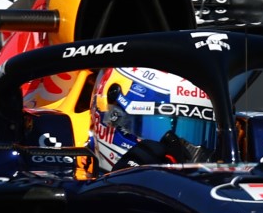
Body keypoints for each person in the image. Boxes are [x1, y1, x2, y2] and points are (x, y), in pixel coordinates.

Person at [88, 66, 218, 172]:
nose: (179, 153)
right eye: (156, 129)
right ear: (113, 118)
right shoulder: (77, 182)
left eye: (196, 136)